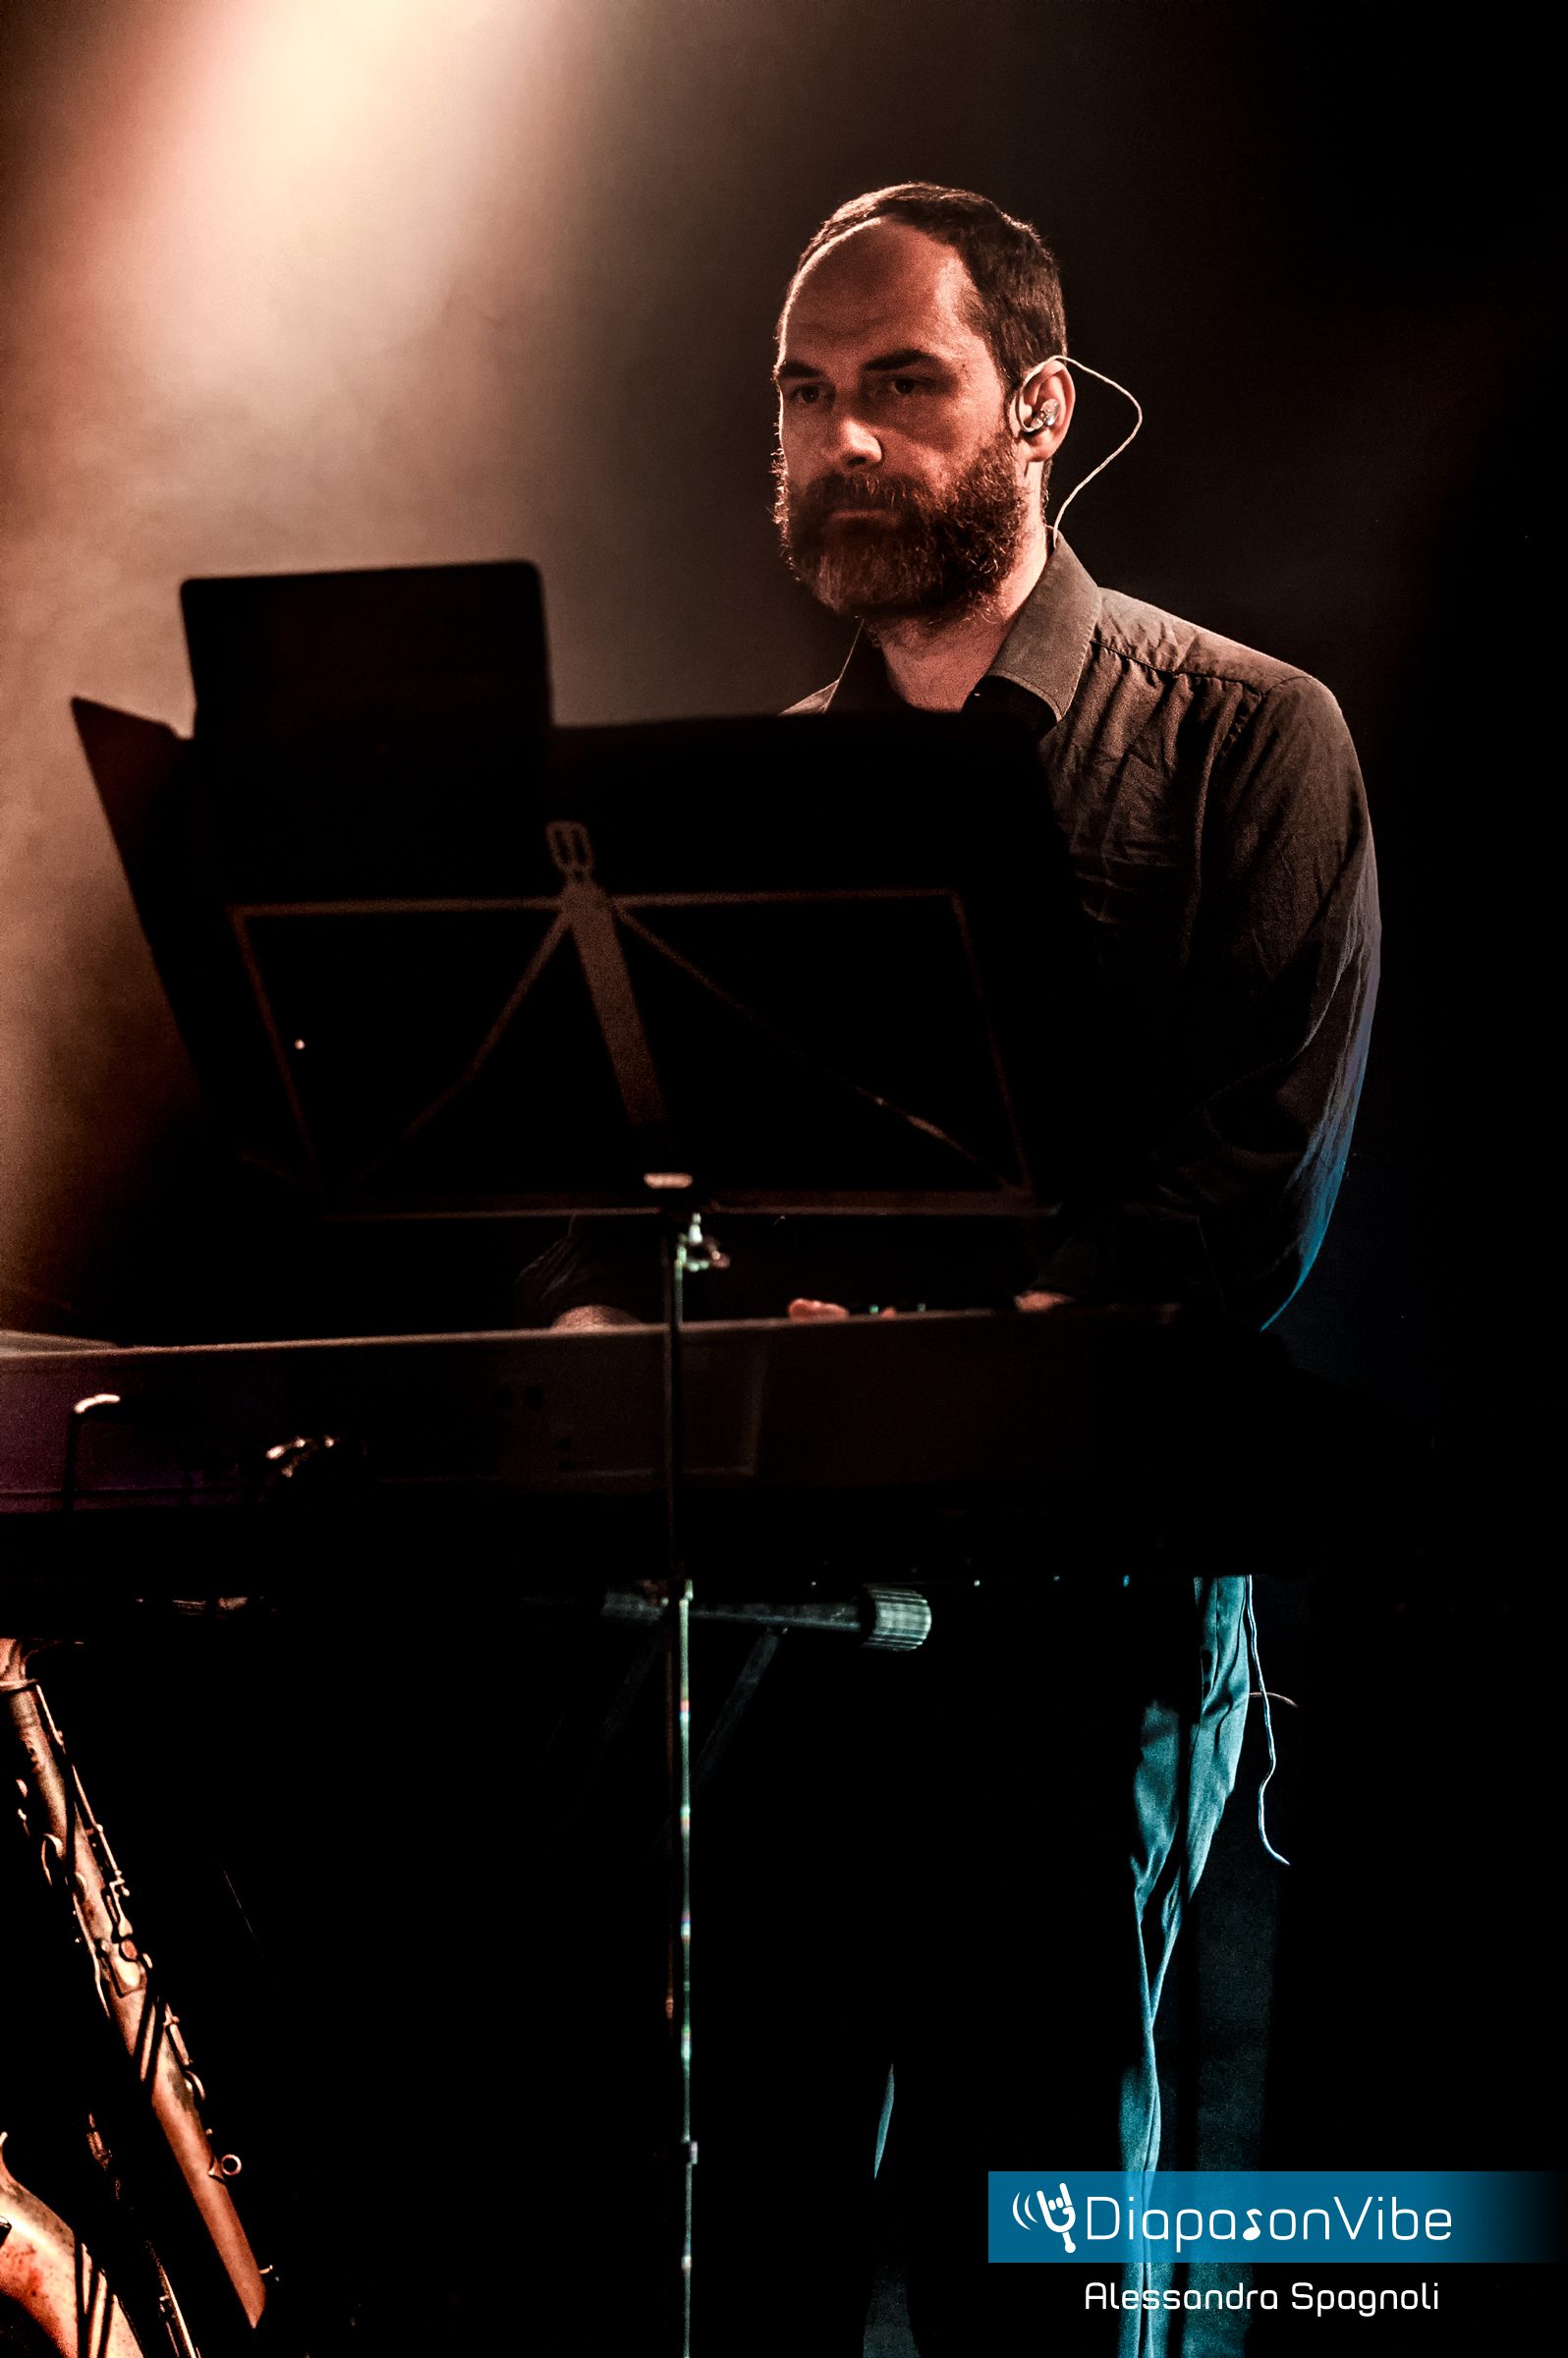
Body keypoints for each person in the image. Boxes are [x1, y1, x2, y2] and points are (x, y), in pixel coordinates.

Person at [521, 184, 1377, 2357]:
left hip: (1085, 1605)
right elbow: (666, 1199)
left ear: (1043, 411)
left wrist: (921, 1351)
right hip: (795, 1608)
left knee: (1041, 2234)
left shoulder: (1248, 734)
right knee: (759, 2208)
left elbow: (1241, 1205)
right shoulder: (755, 797)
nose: (844, 440)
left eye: (903, 384)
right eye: (804, 395)